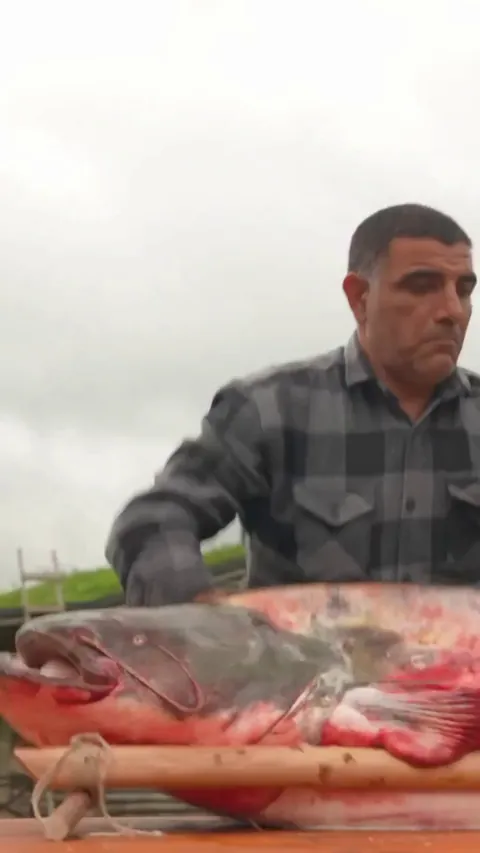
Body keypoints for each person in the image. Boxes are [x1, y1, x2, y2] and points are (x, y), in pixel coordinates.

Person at [105, 202, 480, 606]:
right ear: (359, 298)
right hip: (304, 666)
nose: (453, 312)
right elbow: (151, 520)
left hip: (460, 665)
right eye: (422, 286)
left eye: (463, 289)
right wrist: (202, 615)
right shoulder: (269, 411)